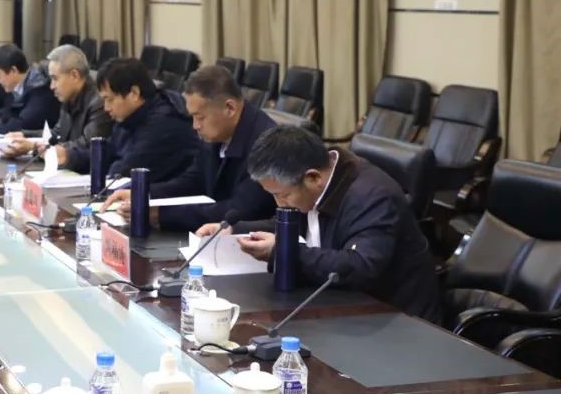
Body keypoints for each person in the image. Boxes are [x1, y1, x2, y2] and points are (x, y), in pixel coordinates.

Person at [199, 126, 441, 322]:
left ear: (313, 177)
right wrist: (236, 230)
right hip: (339, 305)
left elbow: (360, 266)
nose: (279, 204)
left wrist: (282, 251)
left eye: (283, 195)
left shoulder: (373, 197)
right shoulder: (319, 184)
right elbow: (293, 224)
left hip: (393, 317)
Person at [101, 66, 276, 230]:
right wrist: (143, 194)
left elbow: (238, 211)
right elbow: (193, 180)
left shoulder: (266, 145)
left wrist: (160, 215)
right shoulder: (217, 132)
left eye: (200, 117)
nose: (195, 126)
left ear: (229, 108)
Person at [69, 58, 196, 184]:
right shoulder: (129, 117)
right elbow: (108, 153)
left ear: (134, 93)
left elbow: (123, 172)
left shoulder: (164, 123)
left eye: (110, 99)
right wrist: (69, 156)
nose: (106, 108)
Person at [1, 44, 112, 170]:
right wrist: (24, 135)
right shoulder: (69, 96)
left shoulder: (99, 102)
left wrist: (34, 146)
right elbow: (57, 134)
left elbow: (86, 145)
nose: (52, 86)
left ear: (74, 75)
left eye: (55, 79)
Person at [0, 44, 59, 134]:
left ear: (13, 70)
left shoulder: (39, 87)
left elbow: (24, 123)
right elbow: (6, 115)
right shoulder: (14, 89)